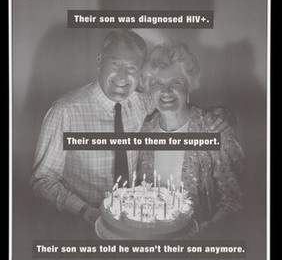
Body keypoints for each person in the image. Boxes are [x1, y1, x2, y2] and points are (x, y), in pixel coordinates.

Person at [31, 29, 234, 235]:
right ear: (100, 61)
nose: (122, 76)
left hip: (139, 229)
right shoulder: (65, 111)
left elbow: (176, 104)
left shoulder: (144, 104)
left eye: (132, 67)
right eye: (116, 64)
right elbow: (42, 180)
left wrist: (221, 115)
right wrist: (85, 211)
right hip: (83, 228)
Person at [138, 41, 244, 238]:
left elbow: (234, 199)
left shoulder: (214, 130)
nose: (166, 91)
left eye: (175, 82)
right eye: (157, 84)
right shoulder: (144, 127)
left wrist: (210, 228)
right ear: (148, 90)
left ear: (189, 85)